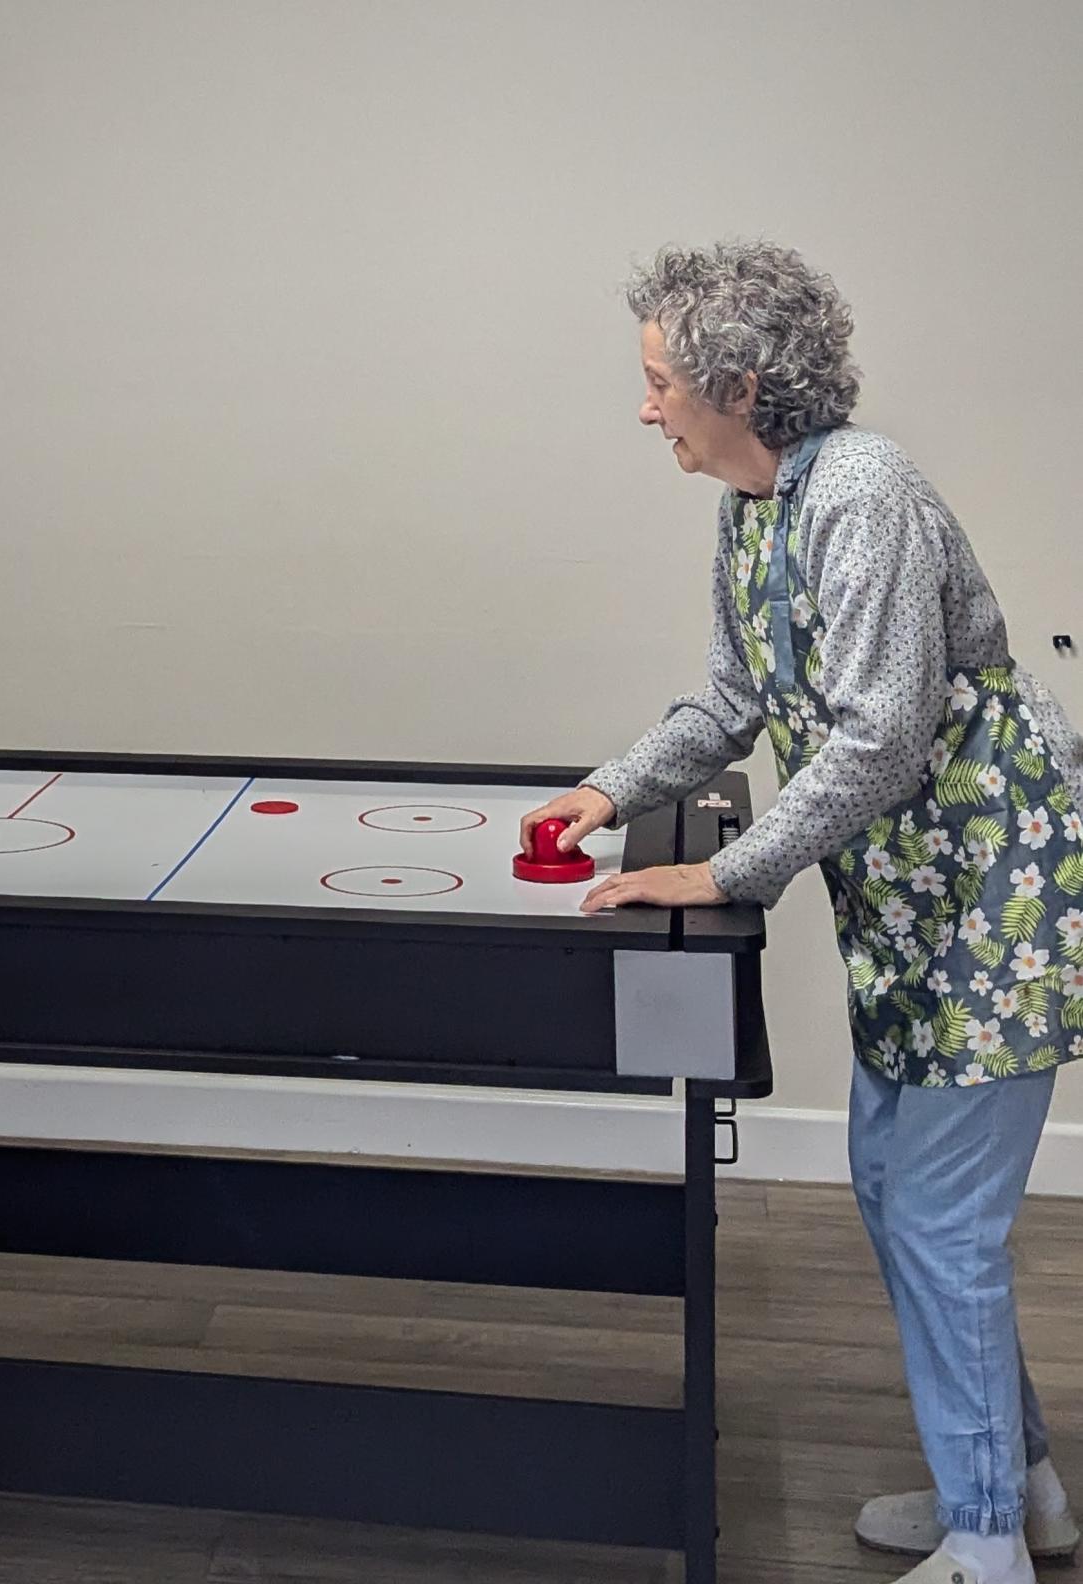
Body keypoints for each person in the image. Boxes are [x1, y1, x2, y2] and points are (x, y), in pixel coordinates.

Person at [522, 240, 1083, 1584]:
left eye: (661, 382)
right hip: (914, 898)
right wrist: (607, 792)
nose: (646, 408)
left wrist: (718, 874)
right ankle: (1022, 1491)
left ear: (740, 380)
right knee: (896, 1190)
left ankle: (988, 1546)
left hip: (988, 898)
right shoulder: (758, 504)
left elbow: (883, 736)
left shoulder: (867, 494)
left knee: (941, 1220)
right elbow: (732, 704)